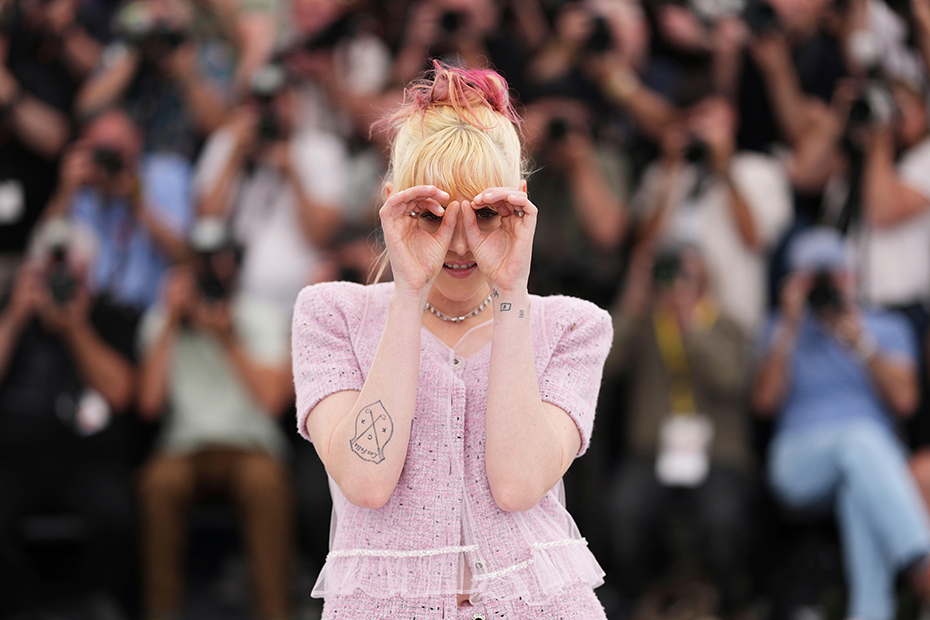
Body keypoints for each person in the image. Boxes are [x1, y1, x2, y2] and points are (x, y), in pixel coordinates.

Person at [291, 62, 613, 618]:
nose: (460, 241)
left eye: (486, 213)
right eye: (431, 213)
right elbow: (366, 479)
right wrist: (408, 292)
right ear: (391, 202)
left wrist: (513, 292)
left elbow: (517, 485)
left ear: (521, 204)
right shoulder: (331, 313)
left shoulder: (573, 327)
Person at [752, 226, 930, 620]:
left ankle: (871, 612)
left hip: (872, 463)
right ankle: (923, 563)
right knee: (862, 441)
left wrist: (858, 339)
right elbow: (764, 404)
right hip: (799, 457)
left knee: (860, 482)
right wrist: (788, 327)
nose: (824, 287)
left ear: (851, 276)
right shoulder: (779, 329)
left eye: (832, 275)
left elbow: (907, 400)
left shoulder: (885, 327)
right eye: (812, 278)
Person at [136, 218, 295, 620]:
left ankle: (274, 612)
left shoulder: (261, 316)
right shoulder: (162, 318)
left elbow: (274, 400)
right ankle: (162, 612)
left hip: (250, 445)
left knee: (266, 483)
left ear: (236, 264)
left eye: (219, 260)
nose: (211, 270)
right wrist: (172, 321)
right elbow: (148, 405)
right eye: (201, 260)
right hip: (184, 445)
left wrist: (227, 337)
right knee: (157, 484)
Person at [606, 242, 754, 617]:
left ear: (705, 280)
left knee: (723, 520)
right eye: (669, 274)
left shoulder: (727, 324)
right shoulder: (643, 323)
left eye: (686, 275)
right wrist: (632, 298)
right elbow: (602, 362)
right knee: (623, 512)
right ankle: (640, 593)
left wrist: (689, 321)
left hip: (716, 453)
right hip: (652, 449)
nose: (675, 283)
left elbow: (731, 379)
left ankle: (727, 598)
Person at [0, 218, 139, 616]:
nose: (58, 284)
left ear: (88, 275)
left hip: (87, 459)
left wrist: (76, 329)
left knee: (116, 517)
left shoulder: (109, 316)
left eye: (69, 274)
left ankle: (93, 602)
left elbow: (121, 393)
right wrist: (15, 318)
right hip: (14, 458)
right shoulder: (13, 310)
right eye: (50, 273)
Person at [43, 107, 192, 311]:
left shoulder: (168, 175)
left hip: (150, 311)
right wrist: (66, 189)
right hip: (93, 309)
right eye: (102, 153)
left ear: (137, 140)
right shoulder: (83, 190)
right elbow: (46, 248)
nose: (110, 162)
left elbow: (185, 255)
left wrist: (138, 206)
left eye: (117, 151)